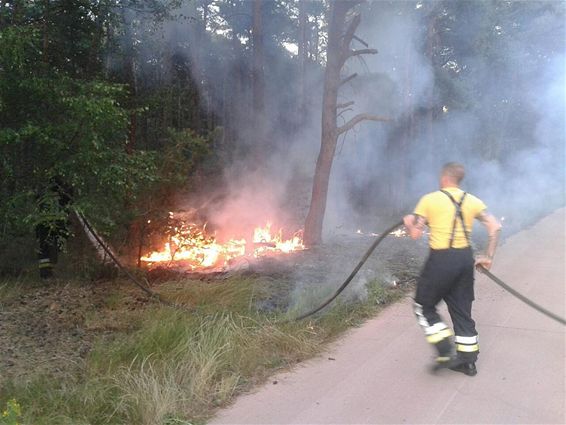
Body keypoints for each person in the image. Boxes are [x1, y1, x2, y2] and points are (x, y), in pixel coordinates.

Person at [403, 162, 501, 376]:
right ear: (459, 180)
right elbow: (495, 226)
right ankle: (468, 362)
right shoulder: (472, 200)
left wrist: (410, 222)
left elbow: (415, 234)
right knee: (461, 310)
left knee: (423, 306)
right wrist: (488, 257)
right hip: (465, 259)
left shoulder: (429, 200)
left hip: (441, 260)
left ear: (443, 178)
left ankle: (444, 350)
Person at [35, 176, 74, 279]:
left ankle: (46, 275)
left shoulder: (42, 194)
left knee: (44, 250)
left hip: (42, 225)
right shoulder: (62, 194)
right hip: (57, 224)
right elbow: (70, 201)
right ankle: (48, 272)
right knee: (56, 246)